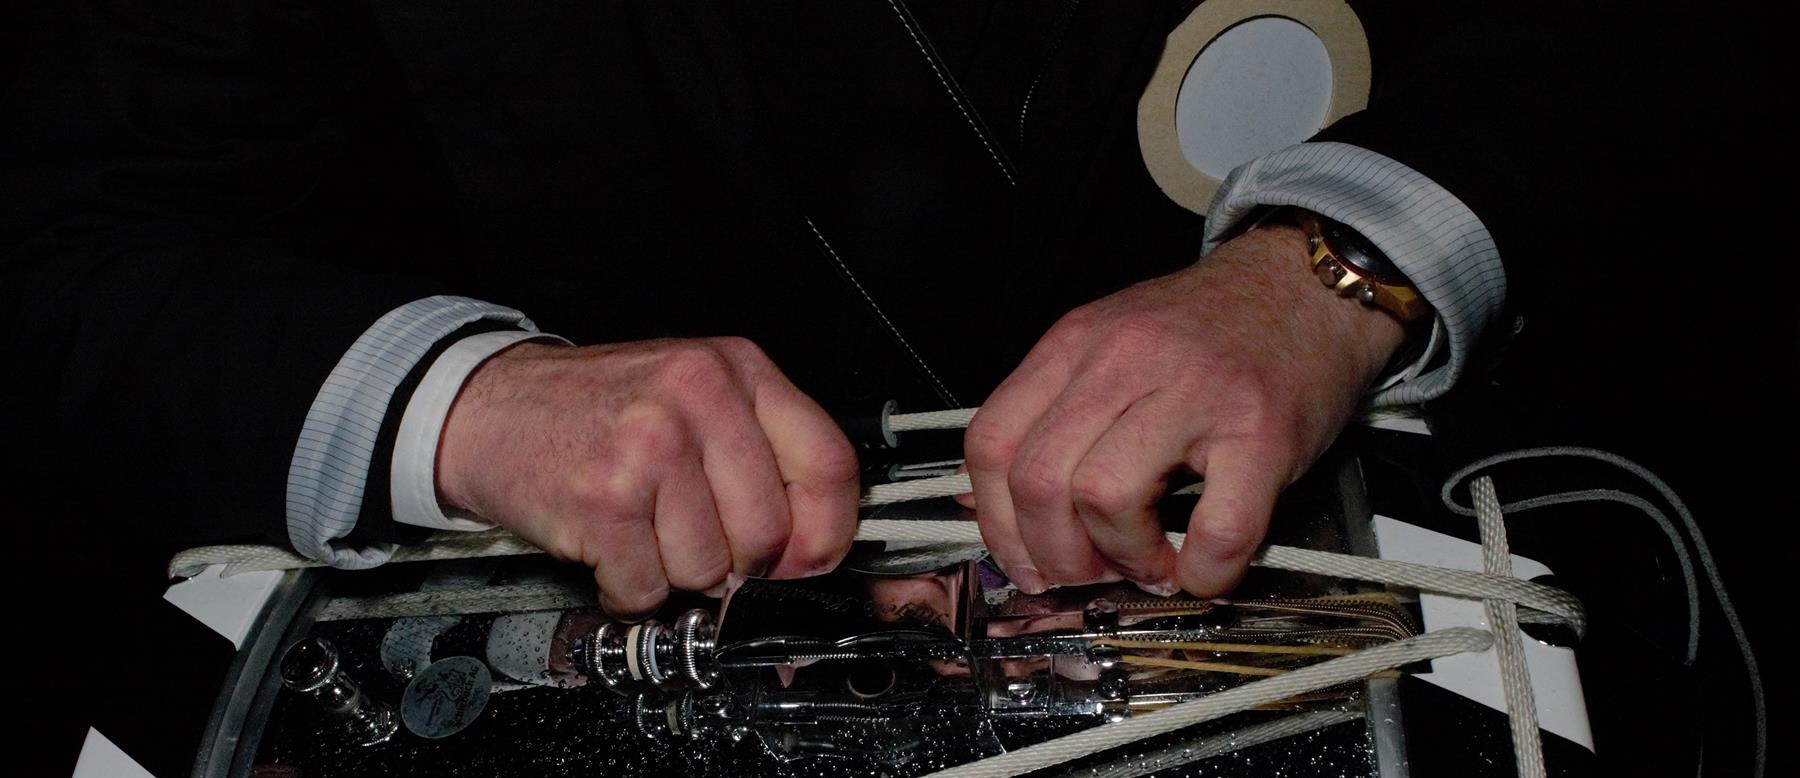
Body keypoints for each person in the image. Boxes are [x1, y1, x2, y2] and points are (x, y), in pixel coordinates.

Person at [3, 2, 1636, 618]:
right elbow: (75, 241)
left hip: (1446, 587)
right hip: (653, 753)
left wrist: (1335, 266)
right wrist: (468, 405)